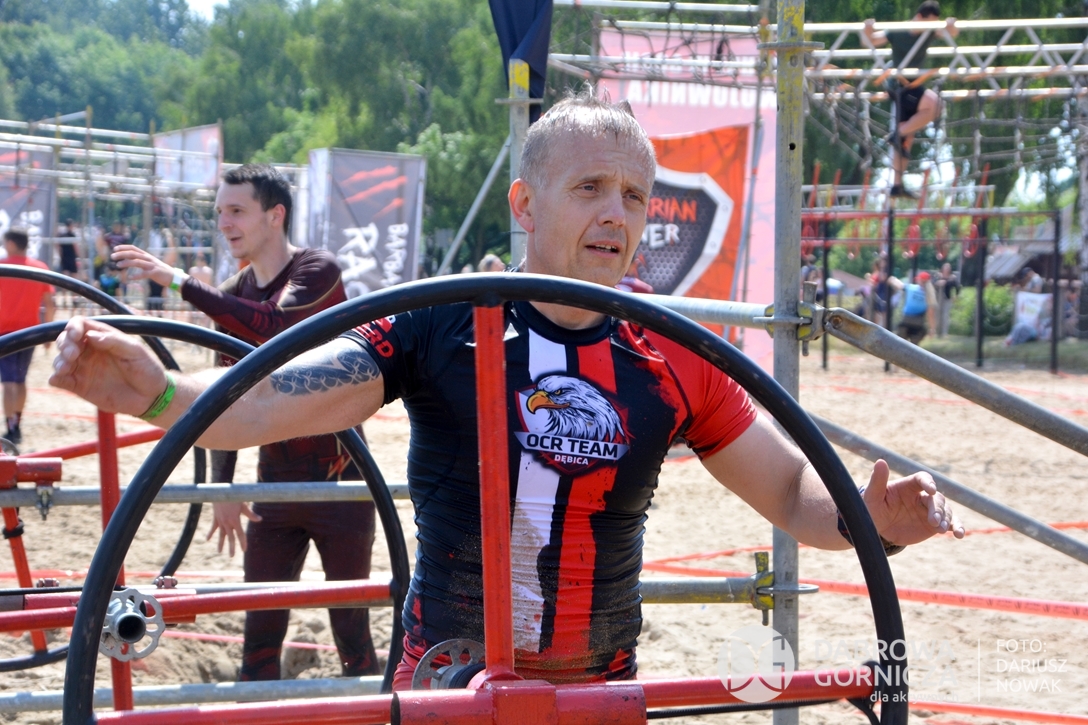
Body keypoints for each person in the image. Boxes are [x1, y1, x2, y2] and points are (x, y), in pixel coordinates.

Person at [52, 93, 963, 691]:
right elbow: (265, 401)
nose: (615, 213)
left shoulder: (675, 353)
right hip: (446, 686)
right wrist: (160, 391)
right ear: (526, 205)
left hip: (601, 691)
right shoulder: (438, 321)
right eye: (590, 187)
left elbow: (793, 492)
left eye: (635, 196)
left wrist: (871, 519)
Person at [110, 164, 379, 682]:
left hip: (341, 481)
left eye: (236, 211)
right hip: (272, 483)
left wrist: (178, 280)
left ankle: (366, 711)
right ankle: (254, 709)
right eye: (220, 212)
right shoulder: (233, 292)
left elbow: (274, 325)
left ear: (275, 215)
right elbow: (223, 396)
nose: (224, 223)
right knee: (259, 628)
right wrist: (225, 486)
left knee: (351, 626)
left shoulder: (317, 269)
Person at [864, 2, 958, 198]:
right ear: (920, 17)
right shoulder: (898, 31)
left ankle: (897, 184)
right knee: (936, 105)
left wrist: (951, 26)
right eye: (931, 22)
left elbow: (950, 33)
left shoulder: (929, 32)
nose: (932, 26)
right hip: (900, 86)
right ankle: (897, 134)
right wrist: (868, 29)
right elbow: (871, 41)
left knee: (907, 136)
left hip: (913, 85)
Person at [0, 229, 56, 445]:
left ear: (12, 244)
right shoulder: (39, 268)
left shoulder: (3, 267)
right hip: (30, 332)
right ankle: (17, 423)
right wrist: (48, 333)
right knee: (20, 380)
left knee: (8, 382)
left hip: (5, 331)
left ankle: (11, 427)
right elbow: (50, 304)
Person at [935, 262, 959, 337]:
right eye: (945, 268)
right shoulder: (938, 276)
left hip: (947, 298)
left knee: (945, 315)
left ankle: (944, 332)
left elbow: (957, 287)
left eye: (948, 268)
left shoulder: (952, 278)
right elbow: (932, 284)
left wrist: (955, 296)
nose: (946, 270)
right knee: (937, 315)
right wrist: (938, 283)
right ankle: (937, 332)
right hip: (938, 298)